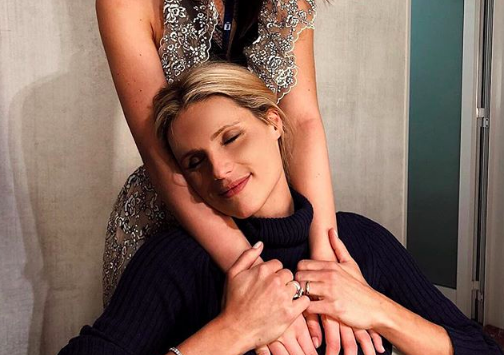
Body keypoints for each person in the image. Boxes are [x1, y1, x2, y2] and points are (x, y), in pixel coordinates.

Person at [97, 0, 356, 352]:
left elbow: (304, 124)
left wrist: (325, 260)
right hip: (172, 228)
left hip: (270, 228)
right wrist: (259, 283)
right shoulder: (126, 0)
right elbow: (161, 154)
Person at [58, 62, 502, 355]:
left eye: (231, 138)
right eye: (195, 162)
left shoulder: (357, 241)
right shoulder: (177, 260)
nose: (219, 170)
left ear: (273, 122)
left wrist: (378, 309)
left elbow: (481, 348)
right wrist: (233, 332)